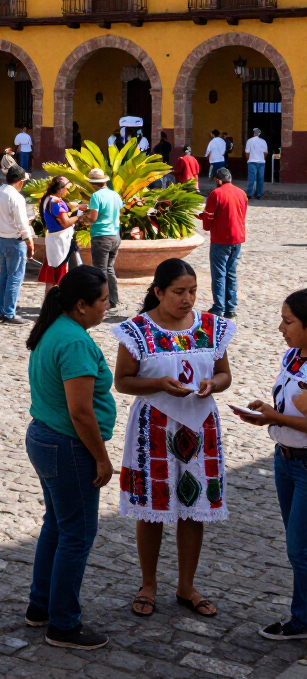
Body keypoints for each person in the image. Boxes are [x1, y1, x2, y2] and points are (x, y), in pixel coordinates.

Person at [113, 258, 232, 619]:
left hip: (200, 427)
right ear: (158, 292)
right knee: (151, 508)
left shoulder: (211, 327)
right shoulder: (136, 332)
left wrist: (213, 384)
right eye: (179, 292)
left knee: (193, 507)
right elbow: (123, 381)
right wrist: (157, 385)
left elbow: (225, 374)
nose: (187, 299)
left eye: (193, 291)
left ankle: (186, 585)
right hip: (153, 428)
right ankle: (148, 583)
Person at [24, 265, 114, 649]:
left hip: (45, 438)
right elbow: (80, 411)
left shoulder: (57, 328)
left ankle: (40, 607)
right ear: (81, 305)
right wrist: (102, 458)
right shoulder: (75, 341)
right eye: (104, 301)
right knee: (77, 533)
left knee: (57, 526)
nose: (108, 307)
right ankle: (63, 623)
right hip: (66, 444)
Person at [233, 289, 307, 640]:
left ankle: (303, 620)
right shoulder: (292, 357)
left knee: (299, 547)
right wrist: (267, 411)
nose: (280, 327)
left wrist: (274, 417)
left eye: (288, 321)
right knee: (299, 546)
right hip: (285, 460)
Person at [197, 167, 247, 320]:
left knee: (219, 274)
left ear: (217, 180)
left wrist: (203, 218)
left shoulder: (216, 194)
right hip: (237, 238)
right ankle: (230, 308)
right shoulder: (242, 193)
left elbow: (208, 221)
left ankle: (219, 307)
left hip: (221, 239)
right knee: (231, 273)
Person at [0, 164, 34, 324]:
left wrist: (0, 228)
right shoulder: (16, 197)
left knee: (4, 276)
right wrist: (29, 241)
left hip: (1, 237)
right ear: (20, 181)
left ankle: (1, 311)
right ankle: (9, 312)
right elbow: (21, 223)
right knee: (15, 277)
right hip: (15, 240)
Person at [82, 168, 124, 314]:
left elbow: (93, 218)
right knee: (109, 269)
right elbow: (120, 209)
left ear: (94, 184)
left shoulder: (96, 196)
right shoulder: (114, 194)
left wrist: (83, 216)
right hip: (114, 235)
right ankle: (113, 301)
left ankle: (103, 303)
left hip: (101, 236)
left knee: (100, 270)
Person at [38, 175, 85, 292]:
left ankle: (48, 305)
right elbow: (65, 222)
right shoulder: (56, 203)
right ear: (60, 188)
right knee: (60, 275)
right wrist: (79, 215)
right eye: (66, 188)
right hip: (60, 241)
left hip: (53, 240)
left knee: (51, 277)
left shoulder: (47, 198)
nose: (67, 190)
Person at [245, 126, 269, 200]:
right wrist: (263, 159)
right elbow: (265, 153)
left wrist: (248, 160)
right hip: (261, 162)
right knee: (260, 178)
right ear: (259, 134)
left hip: (252, 161)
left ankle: (249, 194)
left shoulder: (249, 141)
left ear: (254, 133)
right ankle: (259, 194)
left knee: (252, 178)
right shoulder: (263, 141)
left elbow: (247, 153)